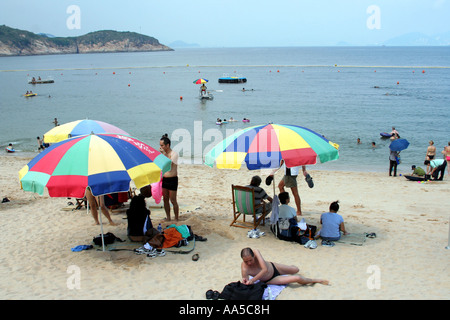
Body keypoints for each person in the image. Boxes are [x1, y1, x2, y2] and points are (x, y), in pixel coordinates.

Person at [240, 248, 329, 286]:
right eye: (246, 261)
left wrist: (253, 280)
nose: (249, 263)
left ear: (253, 256)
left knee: (296, 269)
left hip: (273, 267)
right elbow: (245, 279)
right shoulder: (244, 268)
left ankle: (289, 267)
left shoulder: (256, 252)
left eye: (250, 260)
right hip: (269, 280)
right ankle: (315, 280)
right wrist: (246, 281)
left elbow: (264, 269)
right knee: (297, 278)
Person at [160, 134, 179, 222]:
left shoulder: (174, 154)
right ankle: (168, 217)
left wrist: (164, 155)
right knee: (165, 199)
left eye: (162, 145)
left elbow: (169, 164)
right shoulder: (163, 154)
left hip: (172, 179)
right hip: (165, 179)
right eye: (160, 145)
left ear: (167, 145)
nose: (161, 147)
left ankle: (176, 218)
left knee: (173, 200)